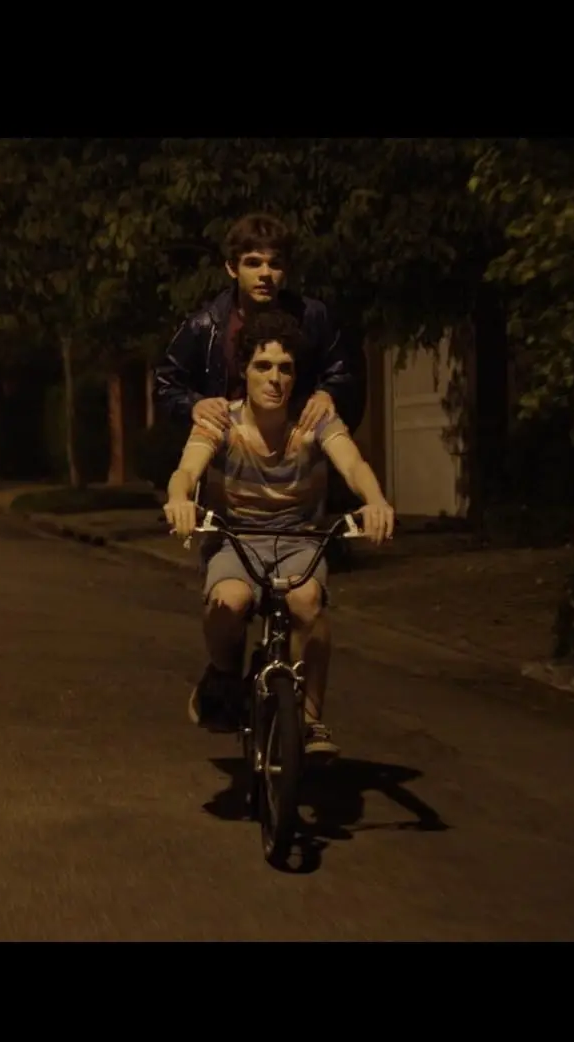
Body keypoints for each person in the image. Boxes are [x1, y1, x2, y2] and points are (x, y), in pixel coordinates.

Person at [162, 310, 395, 760]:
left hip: (300, 539)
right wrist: (179, 500)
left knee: (307, 602)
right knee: (229, 601)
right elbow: (186, 471)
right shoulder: (221, 421)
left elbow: (353, 464)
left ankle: (310, 718)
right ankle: (224, 676)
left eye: (285, 368)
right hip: (236, 537)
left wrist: (376, 501)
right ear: (244, 371)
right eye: (263, 366)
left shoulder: (315, 420)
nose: (275, 379)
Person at [153, 212, 364, 443]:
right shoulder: (204, 325)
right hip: (228, 451)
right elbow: (165, 385)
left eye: (275, 264)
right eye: (253, 263)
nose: (265, 274)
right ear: (232, 268)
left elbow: (346, 371)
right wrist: (194, 405)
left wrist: (328, 394)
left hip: (297, 449)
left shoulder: (312, 316)